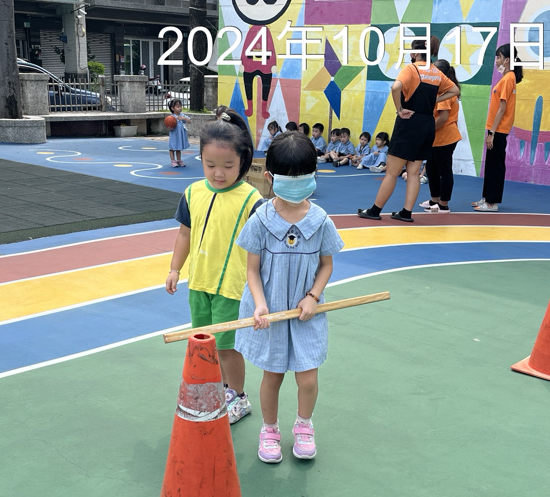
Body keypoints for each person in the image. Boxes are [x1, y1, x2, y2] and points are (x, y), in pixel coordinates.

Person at [235, 131, 344, 462]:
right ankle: (269, 430)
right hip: (271, 312)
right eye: (289, 180)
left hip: (306, 313)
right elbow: (252, 270)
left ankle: (304, 425)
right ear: (270, 178)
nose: (296, 186)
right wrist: (260, 304)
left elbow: (326, 265)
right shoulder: (260, 220)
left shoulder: (321, 221)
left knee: (308, 378)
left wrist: (313, 296)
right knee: (272, 376)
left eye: (303, 178)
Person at [165, 109, 265, 424]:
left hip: (232, 289)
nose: (218, 173)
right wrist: (175, 269)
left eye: (228, 166)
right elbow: (185, 233)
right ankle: (219, 389)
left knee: (227, 348)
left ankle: (239, 396)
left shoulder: (251, 199)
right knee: (205, 344)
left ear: (243, 161)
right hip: (199, 284)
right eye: (210, 165)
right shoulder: (193, 192)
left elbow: (262, 249)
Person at [357, 39, 460, 221]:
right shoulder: (436, 73)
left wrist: (399, 109)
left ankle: (375, 210)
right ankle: (406, 212)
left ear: (415, 53)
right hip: (427, 124)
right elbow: (455, 90)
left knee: (391, 172)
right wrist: (433, 101)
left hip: (409, 122)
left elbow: (395, 87)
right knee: (413, 173)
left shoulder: (411, 69)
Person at [474, 43, 522, 212]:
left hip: (499, 129)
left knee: (495, 166)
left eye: (499, 57)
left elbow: (502, 108)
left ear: (507, 60)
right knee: (491, 165)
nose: (496, 60)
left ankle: (492, 202)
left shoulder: (509, 79)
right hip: (495, 128)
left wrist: (492, 132)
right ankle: (487, 198)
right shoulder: (506, 77)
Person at [420, 59, 461, 213]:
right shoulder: (439, 90)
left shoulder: (444, 92)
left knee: (444, 171)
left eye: (433, 70)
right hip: (437, 138)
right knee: (432, 169)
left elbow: (443, 118)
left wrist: (427, 130)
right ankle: (435, 200)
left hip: (445, 138)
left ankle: (443, 205)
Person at [167, 98, 191, 167]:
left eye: (180, 106)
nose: (180, 108)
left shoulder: (182, 116)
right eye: (178, 106)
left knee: (178, 148)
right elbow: (168, 126)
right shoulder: (171, 117)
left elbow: (190, 121)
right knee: (172, 148)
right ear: (172, 108)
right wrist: (169, 128)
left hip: (180, 135)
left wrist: (184, 118)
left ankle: (178, 160)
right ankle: (173, 160)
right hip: (174, 135)